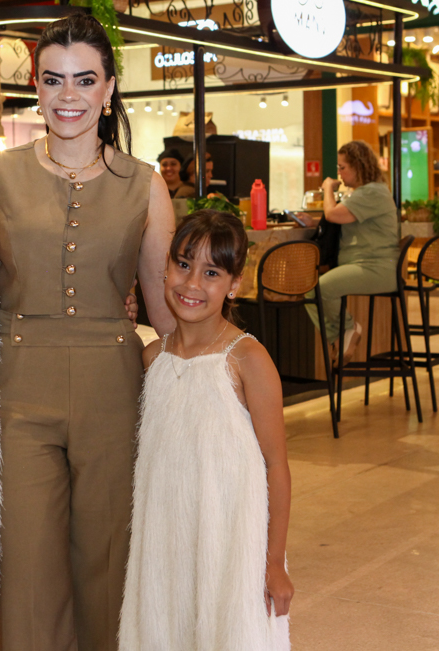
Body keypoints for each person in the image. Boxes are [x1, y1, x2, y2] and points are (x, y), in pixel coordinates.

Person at [0, 13, 176, 651]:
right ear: (38, 89)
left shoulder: (145, 184)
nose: (68, 96)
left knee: (108, 561)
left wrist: (215, 378)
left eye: (84, 80)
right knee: (22, 567)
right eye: (53, 80)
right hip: (16, 390)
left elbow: (165, 310)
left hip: (115, 387)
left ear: (109, 89)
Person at [120, 210, 292, 650]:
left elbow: (276, 465)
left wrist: (273, 562)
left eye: (211, 272)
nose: (192, 283)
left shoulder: (246, 359)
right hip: (166, 539)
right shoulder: (153, 358)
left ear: (235, 283)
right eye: (182, 264)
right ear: (164, 268)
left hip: (231, 539)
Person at [307, 141, 400, 364]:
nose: (339, 173)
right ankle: (338, 338)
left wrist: (328, 188)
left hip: (375, 268)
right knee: (309, 292)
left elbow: (333, 215)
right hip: (364, 265)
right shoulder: (365, 193)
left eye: (342, 167)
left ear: (358, 166)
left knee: (321, 288)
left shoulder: (372, 192)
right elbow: (338, 216)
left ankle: (348, 329)